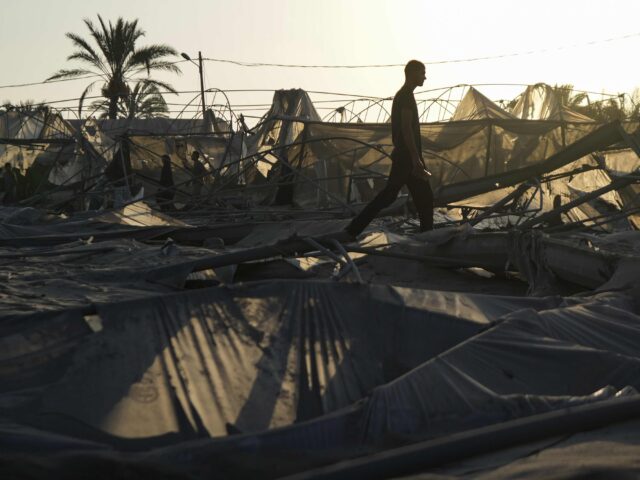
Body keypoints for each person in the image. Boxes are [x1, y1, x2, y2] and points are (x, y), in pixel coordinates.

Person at [345, 60, 433, 237]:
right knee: (399, 196)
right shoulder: (406, 96)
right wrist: (416, 158)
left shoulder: (404, 95)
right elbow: (406, 129)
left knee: (419, 197)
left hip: (405, 157)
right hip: (407, 158)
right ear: (413, 73)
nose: (425, 76)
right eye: (422, 72)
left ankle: (427, 234)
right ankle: (352, 230)